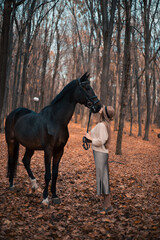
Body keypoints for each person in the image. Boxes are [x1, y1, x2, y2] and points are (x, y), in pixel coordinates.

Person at [85, 105, 115, 214]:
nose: (101, 108)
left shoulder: (102, 125)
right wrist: (89, 137)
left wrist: (90, 138)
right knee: (103, 178)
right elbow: (98, 138)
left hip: (101, 153)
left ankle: (107, 205)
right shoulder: (103, 124)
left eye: (103, 108)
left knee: (103, 178)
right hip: (100, 153)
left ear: (104, 113)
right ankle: (107, 204)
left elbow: (101, 140)